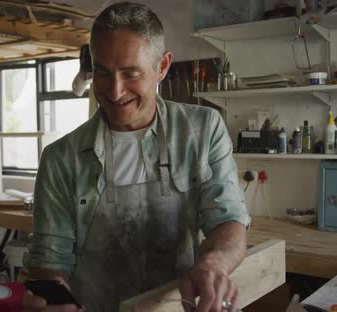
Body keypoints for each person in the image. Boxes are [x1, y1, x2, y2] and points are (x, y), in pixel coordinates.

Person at [22, 2, 250, 311]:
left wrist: (214, 264)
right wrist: (51, 297)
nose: (115, 92)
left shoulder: (202, 129)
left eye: (130, 73)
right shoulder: (61, 158)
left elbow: (228, 220)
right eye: (102, 73)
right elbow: (49, 260)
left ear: (162, 67)